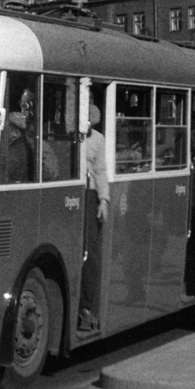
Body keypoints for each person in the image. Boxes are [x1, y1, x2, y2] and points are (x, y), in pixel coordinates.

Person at [77, 104, 110, 333]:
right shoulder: (68, 135)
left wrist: (103, 200)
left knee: (91, 254)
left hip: (89, 196)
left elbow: (100, 170)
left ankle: (87, 308)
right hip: (70, 193)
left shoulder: (98, 139)